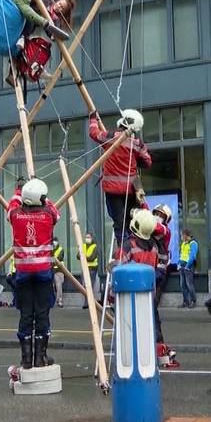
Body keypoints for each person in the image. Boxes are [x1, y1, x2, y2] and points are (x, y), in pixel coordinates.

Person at [8, 177, 60, 369]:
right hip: (43, 274)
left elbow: (12, 203)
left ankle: (26, 359)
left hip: (22, 275)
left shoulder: (15, 215)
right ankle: (40, 357)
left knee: (26, 316)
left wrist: (20, 190)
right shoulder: (47, 215)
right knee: (42, 315)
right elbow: (54, 209)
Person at [88, 110, 152, 247]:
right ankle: (133, 248)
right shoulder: (138, 143)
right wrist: (136, 159)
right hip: (130, 189)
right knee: (130, 221)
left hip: (112, 189)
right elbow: (147, 162)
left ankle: (123, 249)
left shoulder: (112, 137)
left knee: (118, 222)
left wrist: (93, 119)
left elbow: (94, 133)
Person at [116, 209, 165, 346]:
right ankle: (158, 353)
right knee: (153, 326)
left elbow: (118, 270)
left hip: (131, 296)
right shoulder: (154, 245)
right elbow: (160, 264)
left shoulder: (128, 245)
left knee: (133, 332)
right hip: (150, 293)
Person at [150, 203, 173, 308]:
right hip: (152, 267)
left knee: (152, 303)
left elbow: (156, 227)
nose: (157, 217)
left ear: (165, 219)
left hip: (159, 269)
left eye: (161, 215)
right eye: (156, 214)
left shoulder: (165, 231)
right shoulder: (151, 228)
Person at [178, 229, 198, 308]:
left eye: (182, 235)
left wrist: (187, 266)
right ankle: (186, 301)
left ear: (185, 235)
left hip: (188, 266)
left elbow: (192, 256)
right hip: (182, 265)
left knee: (189, 284)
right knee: (183, 285)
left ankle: (193, 301)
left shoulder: (193, 243)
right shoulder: (184, 243)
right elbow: (181, 254)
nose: (181, 237)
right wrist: (178, 263)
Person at [81, 232, 100, 309]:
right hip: (84, 268)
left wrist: (83, 256)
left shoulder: (95, 247)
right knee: (84, 285)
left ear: (92, 238)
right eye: (86, 237)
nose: (87, 239)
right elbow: (78, 256)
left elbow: (92, 258)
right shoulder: (83, 245)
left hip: (92, 268)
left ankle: (89, 303)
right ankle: (87, 302)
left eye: (88, 237)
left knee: (90, 286)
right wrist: (85, 256)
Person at [51, 237, 65, 308]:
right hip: (51, 270)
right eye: (53, 241)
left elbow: (59, 259)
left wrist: (52, 262)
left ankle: (59, 300)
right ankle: (52, 301)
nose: (54, 243)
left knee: (58, 285)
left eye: (55, 241)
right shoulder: (50, 249)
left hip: (58, 270)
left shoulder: (61, 249)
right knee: (50, 286)